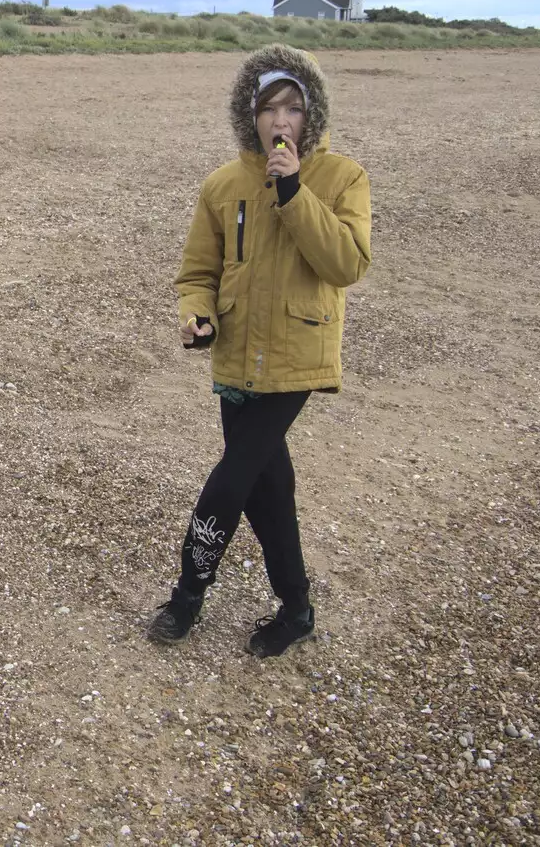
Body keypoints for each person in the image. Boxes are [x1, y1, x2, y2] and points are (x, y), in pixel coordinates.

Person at [148, 43, 371, 657]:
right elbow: (198, 272)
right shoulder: (222, 185)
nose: (280, 121)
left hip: (298, 355)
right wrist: (196, 316)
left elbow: (346, 263)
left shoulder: (343, 177)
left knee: (231, 479)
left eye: (293, 109)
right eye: (269, 108)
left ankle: (187, 594)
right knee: (270, 489)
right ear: (249, 115)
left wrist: (295, 192)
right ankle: (297, 607)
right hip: (236, 355)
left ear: (312, 115)